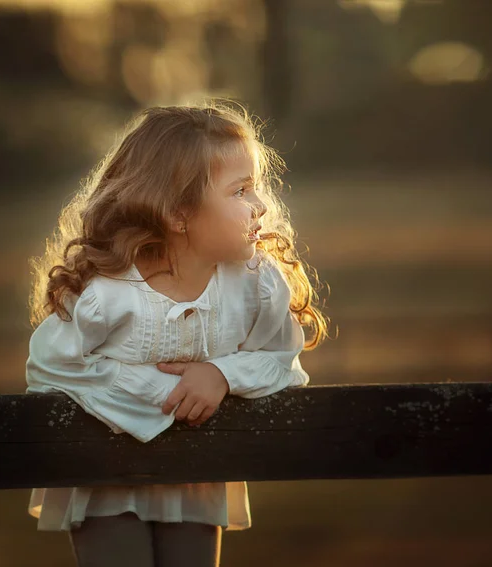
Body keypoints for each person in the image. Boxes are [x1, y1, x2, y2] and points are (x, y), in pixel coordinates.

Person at [25, 101, 329, 567]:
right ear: (178, 213)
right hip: (109, 472)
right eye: (241, 191)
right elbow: (50, 363)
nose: (262, 206)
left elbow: (283, 360)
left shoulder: (255, 281)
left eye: (257, 187)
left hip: (197, 473)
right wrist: (164, 392)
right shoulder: (110, 293)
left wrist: (222, 375)